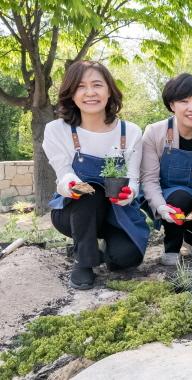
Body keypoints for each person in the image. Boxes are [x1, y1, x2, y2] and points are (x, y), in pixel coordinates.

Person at [43, 61, 149, 290]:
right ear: (71, 93)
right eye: (81, 86)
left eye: (97, 85)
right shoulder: (56, 130)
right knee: (90, 191)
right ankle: (84, 261)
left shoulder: (130, 132)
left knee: (126, 258)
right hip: (74, 212)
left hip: (116, 212)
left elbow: (133, 179)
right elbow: (63, 174)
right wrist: (71, 184)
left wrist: (129, 193)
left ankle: (94, 246)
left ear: (109, 90)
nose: (90, 93)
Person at [140, 73, 192, 266]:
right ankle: (171, 247)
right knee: (180, 198)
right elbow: (149, 180)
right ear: (172, 105)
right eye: (184, 101)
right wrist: (161, 207)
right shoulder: (154, 133)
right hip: (164, 196)